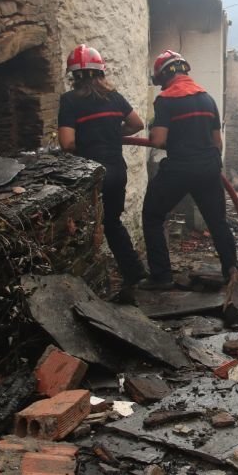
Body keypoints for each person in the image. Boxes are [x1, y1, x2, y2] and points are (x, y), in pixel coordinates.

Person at [139, 49, 237, 290]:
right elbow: (218, 142)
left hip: (180, 168)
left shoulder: (166, 100)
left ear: (163, 76)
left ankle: (161, 277)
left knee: (152, 215)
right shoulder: (207, 98)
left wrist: (154, 130)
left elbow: (159, 140)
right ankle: (232, 270)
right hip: (209, 167)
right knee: (217, 222)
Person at [57, 44, 147, 298]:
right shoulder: (115, 97)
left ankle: (86, 284)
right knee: (112, 222)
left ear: (74, 75)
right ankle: (133, 271)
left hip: (92, 175)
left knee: (83, 227)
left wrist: (89, 140)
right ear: (101, 72)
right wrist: (111, 134)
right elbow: (137, 124)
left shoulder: (70, 101)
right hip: (118, 171)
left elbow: (67, 143)